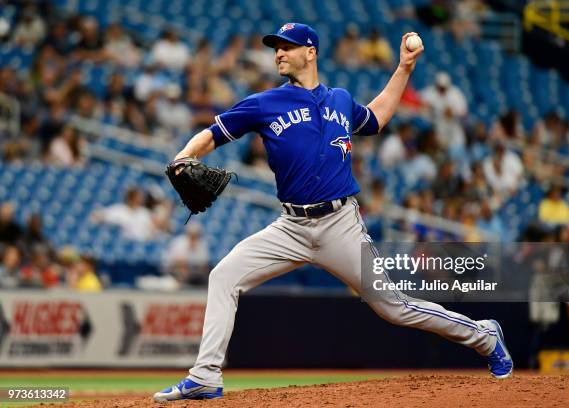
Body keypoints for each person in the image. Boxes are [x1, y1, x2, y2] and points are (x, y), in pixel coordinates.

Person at [154, 23, 512, 402]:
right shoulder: (264, 103)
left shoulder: (340, 99)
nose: (278, 53)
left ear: (310, 52)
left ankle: (485, 335)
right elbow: (212, 134)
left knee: (395, 308)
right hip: (290, 227)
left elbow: (375, 119)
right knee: (224, 276)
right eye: (275, 48)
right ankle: (206, 375)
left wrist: (404, 67)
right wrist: (184, 156)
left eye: (287, 47)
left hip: (341, 224)